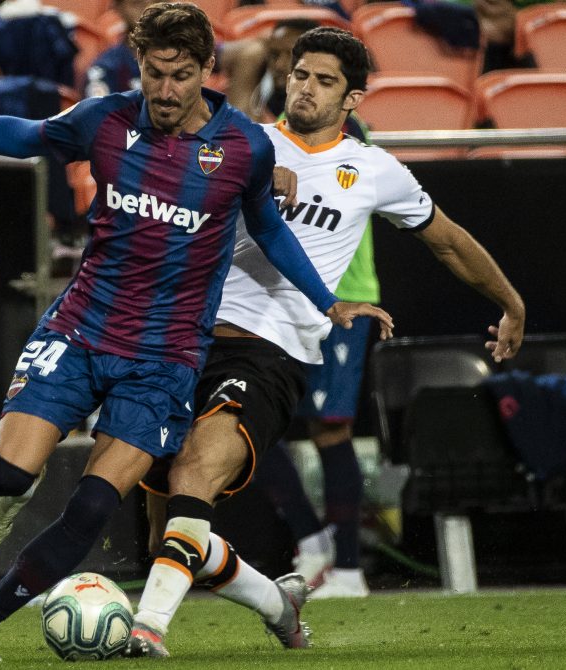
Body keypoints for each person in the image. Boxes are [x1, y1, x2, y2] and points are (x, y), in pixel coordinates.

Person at [0, 2, 390, 663]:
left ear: (207, 69)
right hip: (82, 328)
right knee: (8, 474)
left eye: (180, 76)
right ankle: (12, 490)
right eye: (153, 74)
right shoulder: (106, 119)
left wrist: (328, 302)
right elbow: (28, 135)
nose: (165, 91)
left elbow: (267, 229)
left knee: (94, 507)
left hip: (165, 360)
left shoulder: (244, 147)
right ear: (138, 67)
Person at [127, 26, 524, 656]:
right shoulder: (241, 143)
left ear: (353, 100)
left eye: (325, 80)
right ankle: (274, 600)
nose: (307, 89)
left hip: (269, 353)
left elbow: (446, 238)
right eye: (300, 75)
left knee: (195, 476)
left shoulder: (372, 170)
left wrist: (510, 301)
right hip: (181, 342)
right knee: (168, 537)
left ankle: (146, 629)